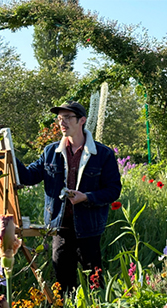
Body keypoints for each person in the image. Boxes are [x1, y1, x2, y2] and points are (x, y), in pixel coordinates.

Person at [15, 101, 122, 291]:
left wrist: (86, 197)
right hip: (60, 227)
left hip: (89, 227)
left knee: (95, 283)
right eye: (59, 118)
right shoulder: (51, 152)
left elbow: (113, 190)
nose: (62, 123)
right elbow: (29, 176)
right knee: (63, 284)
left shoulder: (102, 154)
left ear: (82, 120)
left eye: (67, 118)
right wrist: (8, 154)